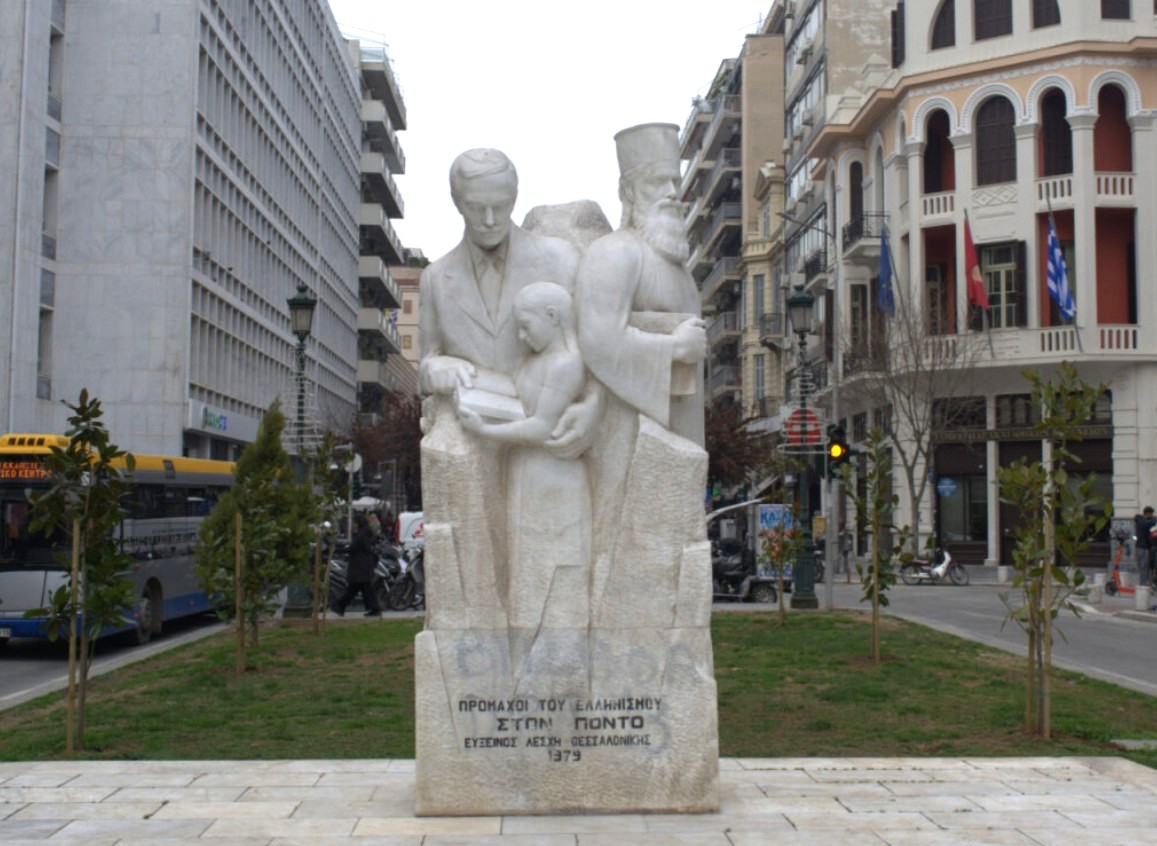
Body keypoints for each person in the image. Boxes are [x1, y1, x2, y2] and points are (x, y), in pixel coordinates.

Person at [455, 282, 590, 630]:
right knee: (526, 568)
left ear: (552, 316)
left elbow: (541, 428)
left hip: (554, 482)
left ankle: (555, 651)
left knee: (554, 572)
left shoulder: (568, 364)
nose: (521, 334)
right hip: (526, 476)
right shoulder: (533, 363)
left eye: (526, 325)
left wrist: (483, 429)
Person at [332, 514, 381, 618]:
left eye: (355, 522)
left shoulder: (361, 535)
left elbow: (352, 548)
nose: (354, 525)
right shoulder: (367, 533)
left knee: (355, 589)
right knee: (363, 590)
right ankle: (374, 608)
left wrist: (336, 550)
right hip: (364, 567)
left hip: (359, 567)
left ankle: (340, 605)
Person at [1135, 506, 1155, 587]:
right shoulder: (1144, 522)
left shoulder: (1140, 520)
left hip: (1141, 546)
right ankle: (1143, 585)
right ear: (1147, 513)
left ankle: (1145, 583)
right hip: (1143, 547)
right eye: (1151, 514)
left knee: (1144, 566)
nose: (1152, 515)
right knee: (1144, 566)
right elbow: (1152, 523)